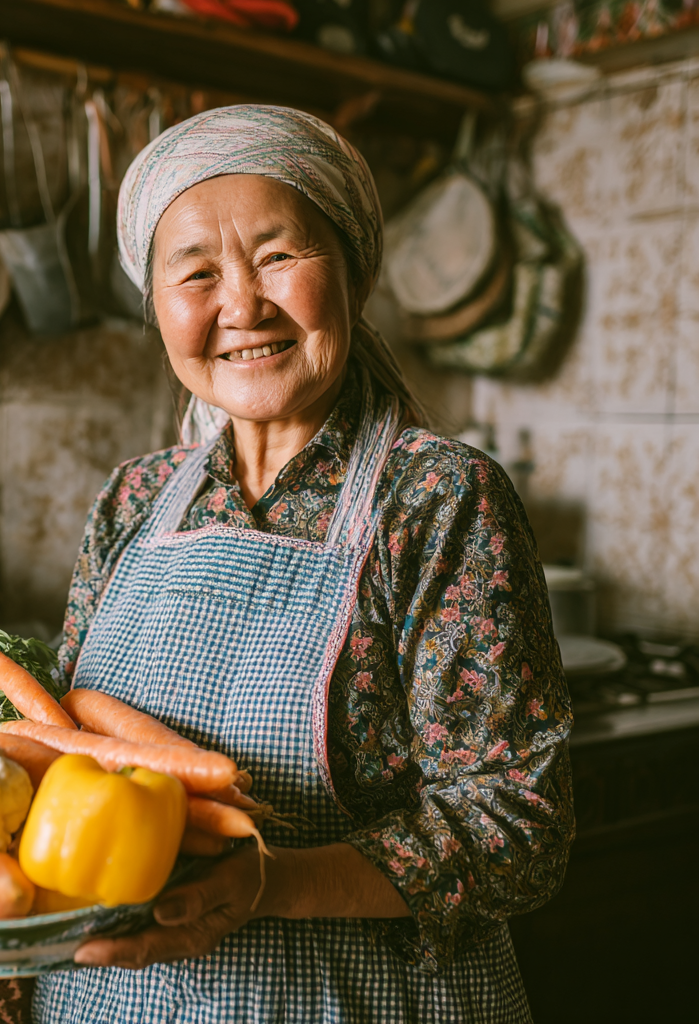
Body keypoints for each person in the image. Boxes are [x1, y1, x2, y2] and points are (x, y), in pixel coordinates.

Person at [34, 105, 573, 1023]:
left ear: (355, 274)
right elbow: (60, 744)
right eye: (195, 272)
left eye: (280, 257)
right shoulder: (134, 499)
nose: (241, 307)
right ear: (157, 305)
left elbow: (518, 827)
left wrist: (267, 884)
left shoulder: (439, 498)